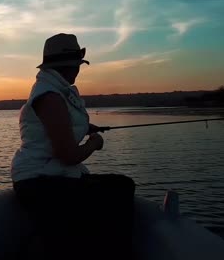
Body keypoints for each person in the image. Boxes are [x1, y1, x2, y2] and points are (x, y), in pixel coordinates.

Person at [11, 33, 135, 259]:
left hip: (51, 177)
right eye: (77, 64)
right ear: (68, 65)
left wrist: (86, 128)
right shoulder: (50, 97)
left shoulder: (55, 90)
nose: (78, 69)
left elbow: (57, 127)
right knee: (121, 188)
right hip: (38, 183)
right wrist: (94, 144)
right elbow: (68, 155)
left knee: (122, 185)